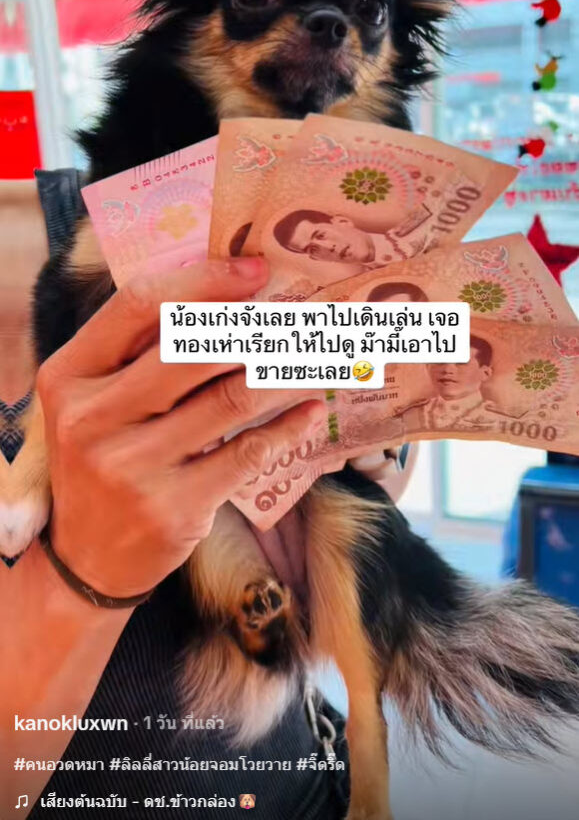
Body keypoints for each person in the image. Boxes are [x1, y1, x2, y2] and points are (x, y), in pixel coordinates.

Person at [0, 168, 415, 819]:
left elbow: (380, 464)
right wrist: (86, 576)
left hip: (300, 786)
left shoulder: (134, 208)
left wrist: (372, 438)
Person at [395, 334, 517, 433]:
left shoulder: (504, 420)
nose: (447, 370)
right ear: (428, 367)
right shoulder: (408, 417)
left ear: (485, 373)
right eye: (439, 361)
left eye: (461, 363)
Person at [272, 208, 430, 268]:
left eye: (321, 235)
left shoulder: (423, 223)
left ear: (343, 222)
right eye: (312, 249)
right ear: (316, 259)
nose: (328, 247)